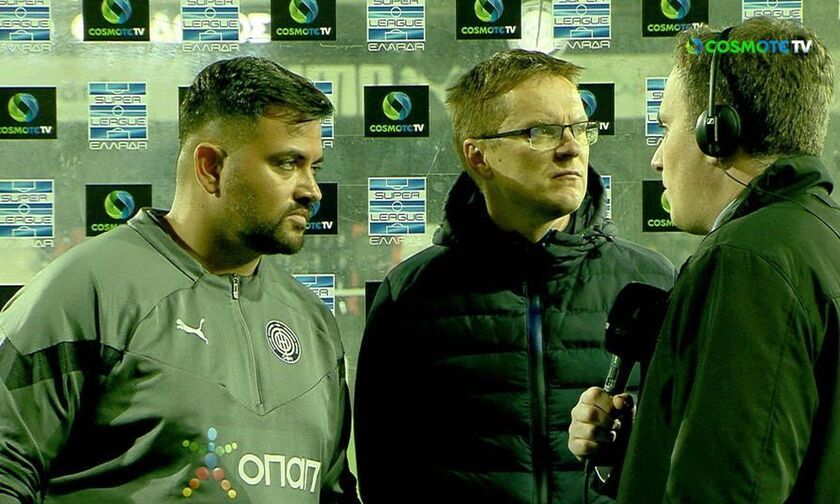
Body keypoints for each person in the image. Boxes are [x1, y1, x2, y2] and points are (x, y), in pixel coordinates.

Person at [0, 57, 359, 503]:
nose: (311, 190)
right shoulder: (88, 292)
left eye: (314, 168)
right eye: (287, 163)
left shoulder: (312, 323)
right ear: (210, 167)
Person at [354, 49, 675, 504]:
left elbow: (687, 448)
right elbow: (384, 474)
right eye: (540, 132)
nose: (571, 148)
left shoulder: (650, 282)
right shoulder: (412, 294)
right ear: (479, 157)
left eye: (580, 128)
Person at [568, 17, 840, 503]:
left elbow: (733, 485)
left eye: (665, 126)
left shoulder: (747, 260)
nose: (656, 158)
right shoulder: (818, 236)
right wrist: (651, 441)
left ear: (716, 132)